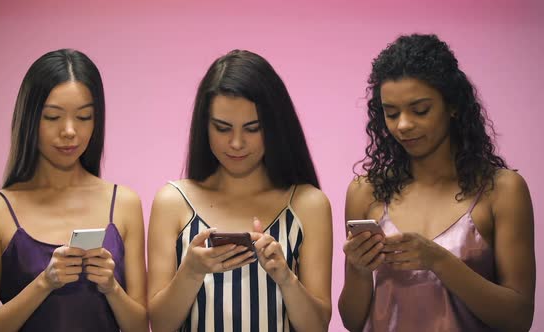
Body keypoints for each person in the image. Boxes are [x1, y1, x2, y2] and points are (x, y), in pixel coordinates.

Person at [338, 34, 535, 332]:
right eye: (391, 113)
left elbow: (519, 318)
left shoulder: (502, 191)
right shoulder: (366, 191)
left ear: (453, 106)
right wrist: (358, 269)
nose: (403, 125)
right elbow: (353, 322)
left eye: (420, 110)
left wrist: (438, 260)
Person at [146, 49, 332, 332]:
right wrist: (191, 272)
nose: (236, 143)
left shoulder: (308, 204)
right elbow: (158, 326)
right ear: (204, 125)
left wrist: (285, 277)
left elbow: (317, 327)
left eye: (252, 128)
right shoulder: (173, 201)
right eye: (222, 128)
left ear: (274, 126)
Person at [0, 49, 148, 332]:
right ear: (29, 119)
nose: (69, 131)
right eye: (52, 117)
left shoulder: (124, 203)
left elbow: (140, 326)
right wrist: (44, 282)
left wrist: (111, 287)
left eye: (84, 117)